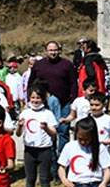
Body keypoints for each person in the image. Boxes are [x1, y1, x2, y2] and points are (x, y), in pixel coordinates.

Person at [29, 41, 78, 179]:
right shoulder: (39, 65)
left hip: (64, 104)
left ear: (60, 50)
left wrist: (73, 98)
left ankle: (63, 165)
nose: (53, 52)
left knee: (63, 133)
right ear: (46, 51)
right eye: (50, 50)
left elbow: (74, 82)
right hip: (46, 105)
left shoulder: (67, 65)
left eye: (55, 50)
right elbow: (31, 83)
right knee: (50, 136)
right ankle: (51, 168)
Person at [17, 84, 59, 187]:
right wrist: (19, 126)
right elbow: (18, 134)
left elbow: (54, 133)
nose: (35, 100)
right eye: (33, 97)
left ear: (43, 98)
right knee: (30, 178)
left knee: (44, 178)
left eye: (38, 98)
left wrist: (46, 128)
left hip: (45, 150)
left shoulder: (48, 114)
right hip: (29, 150)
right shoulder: (25, 113)